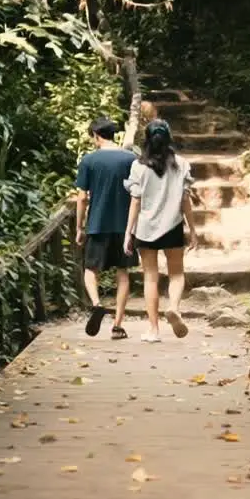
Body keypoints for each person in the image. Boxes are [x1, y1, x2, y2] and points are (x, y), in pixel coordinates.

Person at [123, 119, 197, 342]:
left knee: (150, 278)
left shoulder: (138, 166)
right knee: (176, 274)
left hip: (146, 228)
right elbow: (185, 200)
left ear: (147, 139)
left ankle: (153, 330)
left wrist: (128, 232)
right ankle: (173, 307)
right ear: (169, 138)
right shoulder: (182, 164)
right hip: (173, 226)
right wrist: (193, 229)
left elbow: (135, 201)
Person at [75, 117, 138, 339]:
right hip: (125, 225)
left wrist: (79, 227)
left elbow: (82, 198)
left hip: (97, 224)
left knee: (90, 270)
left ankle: (97, 304)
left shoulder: (89, 161)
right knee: (123, 273)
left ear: (96, 135)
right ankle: (118, 326)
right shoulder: (131, 158)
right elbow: (138, 192)